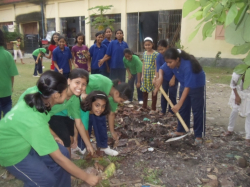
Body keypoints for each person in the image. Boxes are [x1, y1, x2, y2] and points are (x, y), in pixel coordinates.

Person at [0, 71, 100, 187]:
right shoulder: (34, 118)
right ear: (56, 95)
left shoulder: (39, 97)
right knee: (45, 180)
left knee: (62, 151)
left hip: (27, 140)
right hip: (11, 152)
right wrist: (86, 177)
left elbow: (41, 122)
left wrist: (54, 135)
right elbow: (58, 158)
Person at [154, 48, 206, 145]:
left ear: (177, 59)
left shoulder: (187, 66)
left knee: (197, 110)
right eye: (167, 62)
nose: (168, 65)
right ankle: (181, 129)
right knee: (183, 108)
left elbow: (188, 87)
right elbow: (161, 68)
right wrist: (160, 77)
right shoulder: (171, 61)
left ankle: (199, 135)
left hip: (196, 85)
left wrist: (178, 104)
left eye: (170, 62)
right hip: (184, 84)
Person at [76, 74, 132, 155]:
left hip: (96, 109)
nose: (121, 103)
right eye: (121, 101)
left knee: (101, 120)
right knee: (85, 124)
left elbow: (111, 114)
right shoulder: (102, 82)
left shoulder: (113, 99)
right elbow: (85, 79)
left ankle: (103, 146)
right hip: (84, 104)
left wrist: (112, 132)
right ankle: (82, 146)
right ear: (117, 93)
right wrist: (83, 93)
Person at [48, 68, 95, 157]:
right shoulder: (57, 93)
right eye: (77, 82)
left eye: (84, 84)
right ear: (69, 81)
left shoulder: (75, 99)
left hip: (62, 116)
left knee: (71, 140)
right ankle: (67, 160)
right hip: (49, 116)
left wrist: (88, 145)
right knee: (66, 140)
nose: (80, 87)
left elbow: (79, 123)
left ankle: (63, 155)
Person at [80, 91, 119, 156]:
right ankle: (80, 146)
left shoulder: (94, 111)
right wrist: (89, 145)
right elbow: (84, 129)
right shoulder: (84, 112)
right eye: (97, 105)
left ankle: (102, 146)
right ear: (90, 103)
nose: (100, 109)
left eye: (103, 106)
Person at [224, 72, 250, 146]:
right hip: (238, 93)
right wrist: (237, 96)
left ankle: (248, 137)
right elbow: (233, 85)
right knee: (234, 111)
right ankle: (230, 129)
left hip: (248, 95)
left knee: (249, 114)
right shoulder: (237, 74)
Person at [155, 39, 178, 117]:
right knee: (164, 94)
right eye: (159, 50)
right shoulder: (159, 57)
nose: (161, 51)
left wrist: (173, 78)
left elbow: (178, 69)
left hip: (174, 77)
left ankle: (172, 111)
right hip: (164, 78)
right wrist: (158, 79)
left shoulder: (172, 55)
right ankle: (163, 110)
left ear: (167, 47)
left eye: (162, 49)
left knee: (172, 94)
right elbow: (159, 69)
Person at [0, 30, 19, 119]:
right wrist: (11, 86)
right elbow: (12, 74)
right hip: (6, 90)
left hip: (5, 91)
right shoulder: (7, 55)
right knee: (8, 114)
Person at [140, 37, 158, 114]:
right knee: (145, 91)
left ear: (152, 45)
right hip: (146, 75)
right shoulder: (144, 53)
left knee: (154, 91)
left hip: (152, 75)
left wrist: (155, 76)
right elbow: (143, 64)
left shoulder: (155, 54)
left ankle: (153, 108)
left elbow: (157, 65)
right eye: (146, 45)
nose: (147, 46)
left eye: (149, 45)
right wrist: (142, 75)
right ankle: (144, 106)